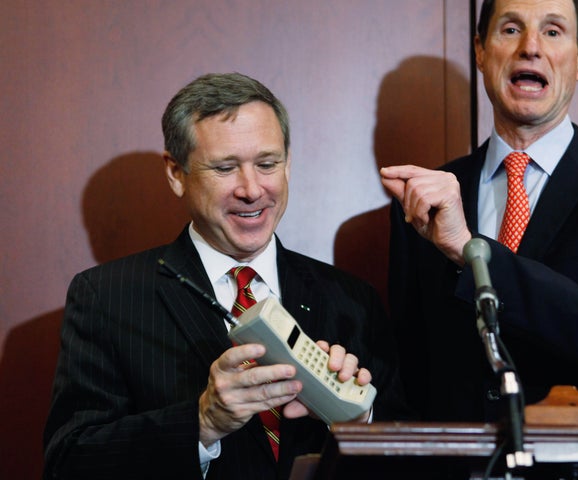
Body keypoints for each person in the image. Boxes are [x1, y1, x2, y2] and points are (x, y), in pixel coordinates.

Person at [44, 73, 406, 479]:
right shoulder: (105, 298)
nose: (252, 190)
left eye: (268, 164)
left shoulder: (352, 299)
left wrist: (357, 420)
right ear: (176, 173)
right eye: (225, 168)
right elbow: (69, 463)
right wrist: (201, 424)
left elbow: (411, 455)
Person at [380, 0, 578, 425]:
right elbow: (411, 373)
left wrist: (468, 250)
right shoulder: (423, 200)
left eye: (552, 31)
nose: (530, 47)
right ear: (480, 52)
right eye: (510, 29)